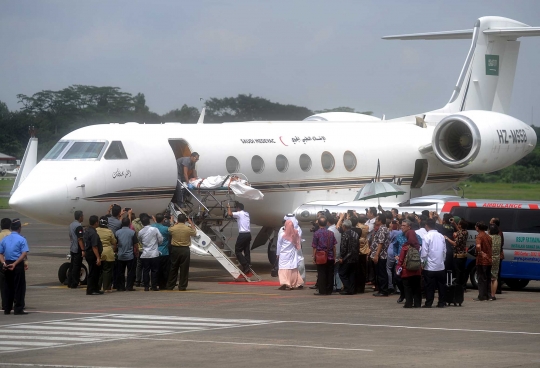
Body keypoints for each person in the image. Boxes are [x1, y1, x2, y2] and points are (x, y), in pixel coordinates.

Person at [0, 219, 29, 315]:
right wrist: (15, 264)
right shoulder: (22, 239)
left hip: (7, 264)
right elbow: (24, 253)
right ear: (19, 228)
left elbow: (0, 253)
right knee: (19, 287)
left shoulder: (5, 239)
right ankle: (18, 308)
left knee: (8, 287)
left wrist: (4, 263)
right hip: (17, 265)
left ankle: (7, 309)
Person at [421, 219, 447, 308]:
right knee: (441, 285)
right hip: (440, 265)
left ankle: (429, 303)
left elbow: (424, 252)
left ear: (427, 225)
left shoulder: (426, 236)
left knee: (429, 286)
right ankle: (441, 302)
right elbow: (444, 251)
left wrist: (422, 263)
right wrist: (442, 261)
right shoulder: (441, 236)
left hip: (430, 266)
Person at [167, 214, 196, 291]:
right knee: (184, 268)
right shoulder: (188, 228)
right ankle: (182, 286)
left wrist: (174, 223)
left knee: (173, 267)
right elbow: (194, 233)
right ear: (185, 220)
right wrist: (191, 223)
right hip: (185, 249)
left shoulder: (173, 228)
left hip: (175, 249)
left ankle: (170, 285)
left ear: (178, 220)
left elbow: (169, 230)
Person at [397, 229, 422, 308]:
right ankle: (417, 303)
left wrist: (398, 267)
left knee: (407, 287)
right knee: (417, 287)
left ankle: (409, 303)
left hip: (406, 271)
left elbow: (401, 259)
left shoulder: (405, 247)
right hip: (417, 271)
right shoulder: (418, 247)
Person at [312, 216, 336, 295]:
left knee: (321, 273)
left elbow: (314, 247)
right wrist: (335, 256)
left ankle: (322, 290)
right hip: (330, 255)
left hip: (320, 256)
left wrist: (314, 257)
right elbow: (334, 246)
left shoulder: (316, 233)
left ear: (318, 223)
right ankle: (329, 290)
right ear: (326, 223)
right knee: (330, 273)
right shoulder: (331, 233)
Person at [276, 220, 303, 290]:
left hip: (284, 253)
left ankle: (285, 282)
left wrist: (277, 254)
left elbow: (279, 245)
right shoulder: (295, 233)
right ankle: (294, 282)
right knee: (293, 267)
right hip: (293, 252)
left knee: (283, 268)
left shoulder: (282, 234)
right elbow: (298, 242)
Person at [138, 214, 163, 291]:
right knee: (154, 270)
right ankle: (154, 286)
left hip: (145, 253)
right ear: (149, 222)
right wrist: (157, 243)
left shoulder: (140, 232)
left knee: (145, 270)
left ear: (142, 223)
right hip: (154, 253)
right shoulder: (154, 229)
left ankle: (146, 286)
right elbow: (160, 239)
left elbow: (140, 240)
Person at [227, 202, 252, 275]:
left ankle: (245, 265)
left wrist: (228, 207)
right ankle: (248, 264)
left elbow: (230, 214)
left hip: (243, 234)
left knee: (237, 251)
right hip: (248, 234)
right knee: (246, 250)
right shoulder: (246, 214)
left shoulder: (239, 213)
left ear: (238, 208)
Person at [444, 219, 468, 291]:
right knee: (462, 271)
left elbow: (455, 243)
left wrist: (447, 238)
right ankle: (463, 286)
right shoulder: (465, 232)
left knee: (458, 271)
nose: (458, 225)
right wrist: (454, 223)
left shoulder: (460, 234)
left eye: (458, 224)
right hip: (463, 254)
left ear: (460, 225)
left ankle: (458, 286)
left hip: (458, 255)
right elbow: (459, 230)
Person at [116, 217, 139, 291]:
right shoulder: (132, 232)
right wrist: (137, 252)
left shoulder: (117, 232)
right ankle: (129, 286)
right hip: (130, 255)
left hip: (120, 255)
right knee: (131, 272)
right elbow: (135, 244)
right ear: (129, 224)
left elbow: (115, 243)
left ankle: (121, 287)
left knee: (120, 272)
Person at [337, 220, 359, 295]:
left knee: (342, 273)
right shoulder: (355, 234)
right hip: (355, 257)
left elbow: (343, 247)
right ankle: (352, 289)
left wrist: (341, 257)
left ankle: (348, 288)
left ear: (344, 227)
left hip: (347, 258)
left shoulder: (345, 234)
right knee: (351, 274)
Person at [371, 214, 391, 297]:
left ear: (380, 221)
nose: (375, 221)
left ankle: (383, 290)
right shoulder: (382, 229)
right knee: (380, 273)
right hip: (381, 254)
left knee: (381, 273)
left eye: (377, 219)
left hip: (382, 255)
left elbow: (380, 243)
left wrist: (376, 255)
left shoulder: (382, 229)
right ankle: (381, 289)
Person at [283, 214, 305, 286]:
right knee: (298, 263)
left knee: (294, 265)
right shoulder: (298, 228)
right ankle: (298, 281)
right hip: (297, 248)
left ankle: (295, 281)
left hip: (293, 249)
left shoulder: (284, 230)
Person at [97, 216, 117, 293]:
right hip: (108, 252)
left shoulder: (96, 230)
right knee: (107, 270)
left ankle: (98, 286)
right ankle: (106, 287)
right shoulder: (109, 231)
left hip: (98, 252)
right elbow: (114, 242)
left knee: (99, 271)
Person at [84, 215, 103, 295]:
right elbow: (94, 246)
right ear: (96, 222)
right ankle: (91, 290)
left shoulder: (87, 230)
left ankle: (95, 289)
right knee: (93, 273)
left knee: (94, 272)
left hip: (88, 254)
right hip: (93, 255)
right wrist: (98, 258)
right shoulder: (93, 233)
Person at [474, 221, 492, 301]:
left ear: (478, 227)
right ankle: (488, 295)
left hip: (481, 260)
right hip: (489, 260)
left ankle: (482, 296)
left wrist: (480, 252)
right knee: (488, 278)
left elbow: (478, 246)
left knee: (481, 278)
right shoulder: (488, 236)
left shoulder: (479, 236)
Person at [152, 213, 170, 290]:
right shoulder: (165, 229)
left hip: (154, 251)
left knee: (154, 269)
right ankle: (163, 285)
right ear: (163, 220)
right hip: (164, 251)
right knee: (164, 270)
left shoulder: (151, 227)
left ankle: (154, 284)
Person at [67, 211, 85, 289]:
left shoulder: (71, 225)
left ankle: (69, 281)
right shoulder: (78, 226)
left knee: (72, 265)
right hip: (77, 249)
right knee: (77, 266)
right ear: (80, 217)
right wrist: (83, 250)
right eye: (82, 216)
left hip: (72, 248)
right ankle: (74, 283)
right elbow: (80, 239)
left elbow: (70, 236)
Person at [490, 217, 504, 294]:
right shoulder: (499, 233)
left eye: (491, 222)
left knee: (494, 275)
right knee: (496, 274)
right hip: (498, 255)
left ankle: (495, 290)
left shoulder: (497, 233)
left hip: (495, 255)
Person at [328, 215, 342, 292]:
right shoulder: (337, 230)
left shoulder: (330, 231)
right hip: (338, 252)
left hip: (332, 252)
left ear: (328, 222)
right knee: (337, 270)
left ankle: (333, 285)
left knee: (332, 270)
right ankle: (339, 286)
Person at [0, 218, 12, 311]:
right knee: (13, 284)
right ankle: (13, 303)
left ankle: (4, 304)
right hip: (11, 261)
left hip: (1, 262)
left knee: (3, 285)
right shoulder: (12, 236)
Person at [356, 215, 369, 293]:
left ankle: (357, 286)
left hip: (358, 247)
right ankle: (362, 287)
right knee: (363, 269)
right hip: (364, 247)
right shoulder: (366, 227)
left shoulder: (358, 227)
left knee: (358, 269)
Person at [488, 224, 502, 301]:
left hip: (490, 258)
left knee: (489, 277)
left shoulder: (489, 237)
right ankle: (493, 295)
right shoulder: (499, 237)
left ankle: (489, 294)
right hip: (497, 258)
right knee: (495, 277)